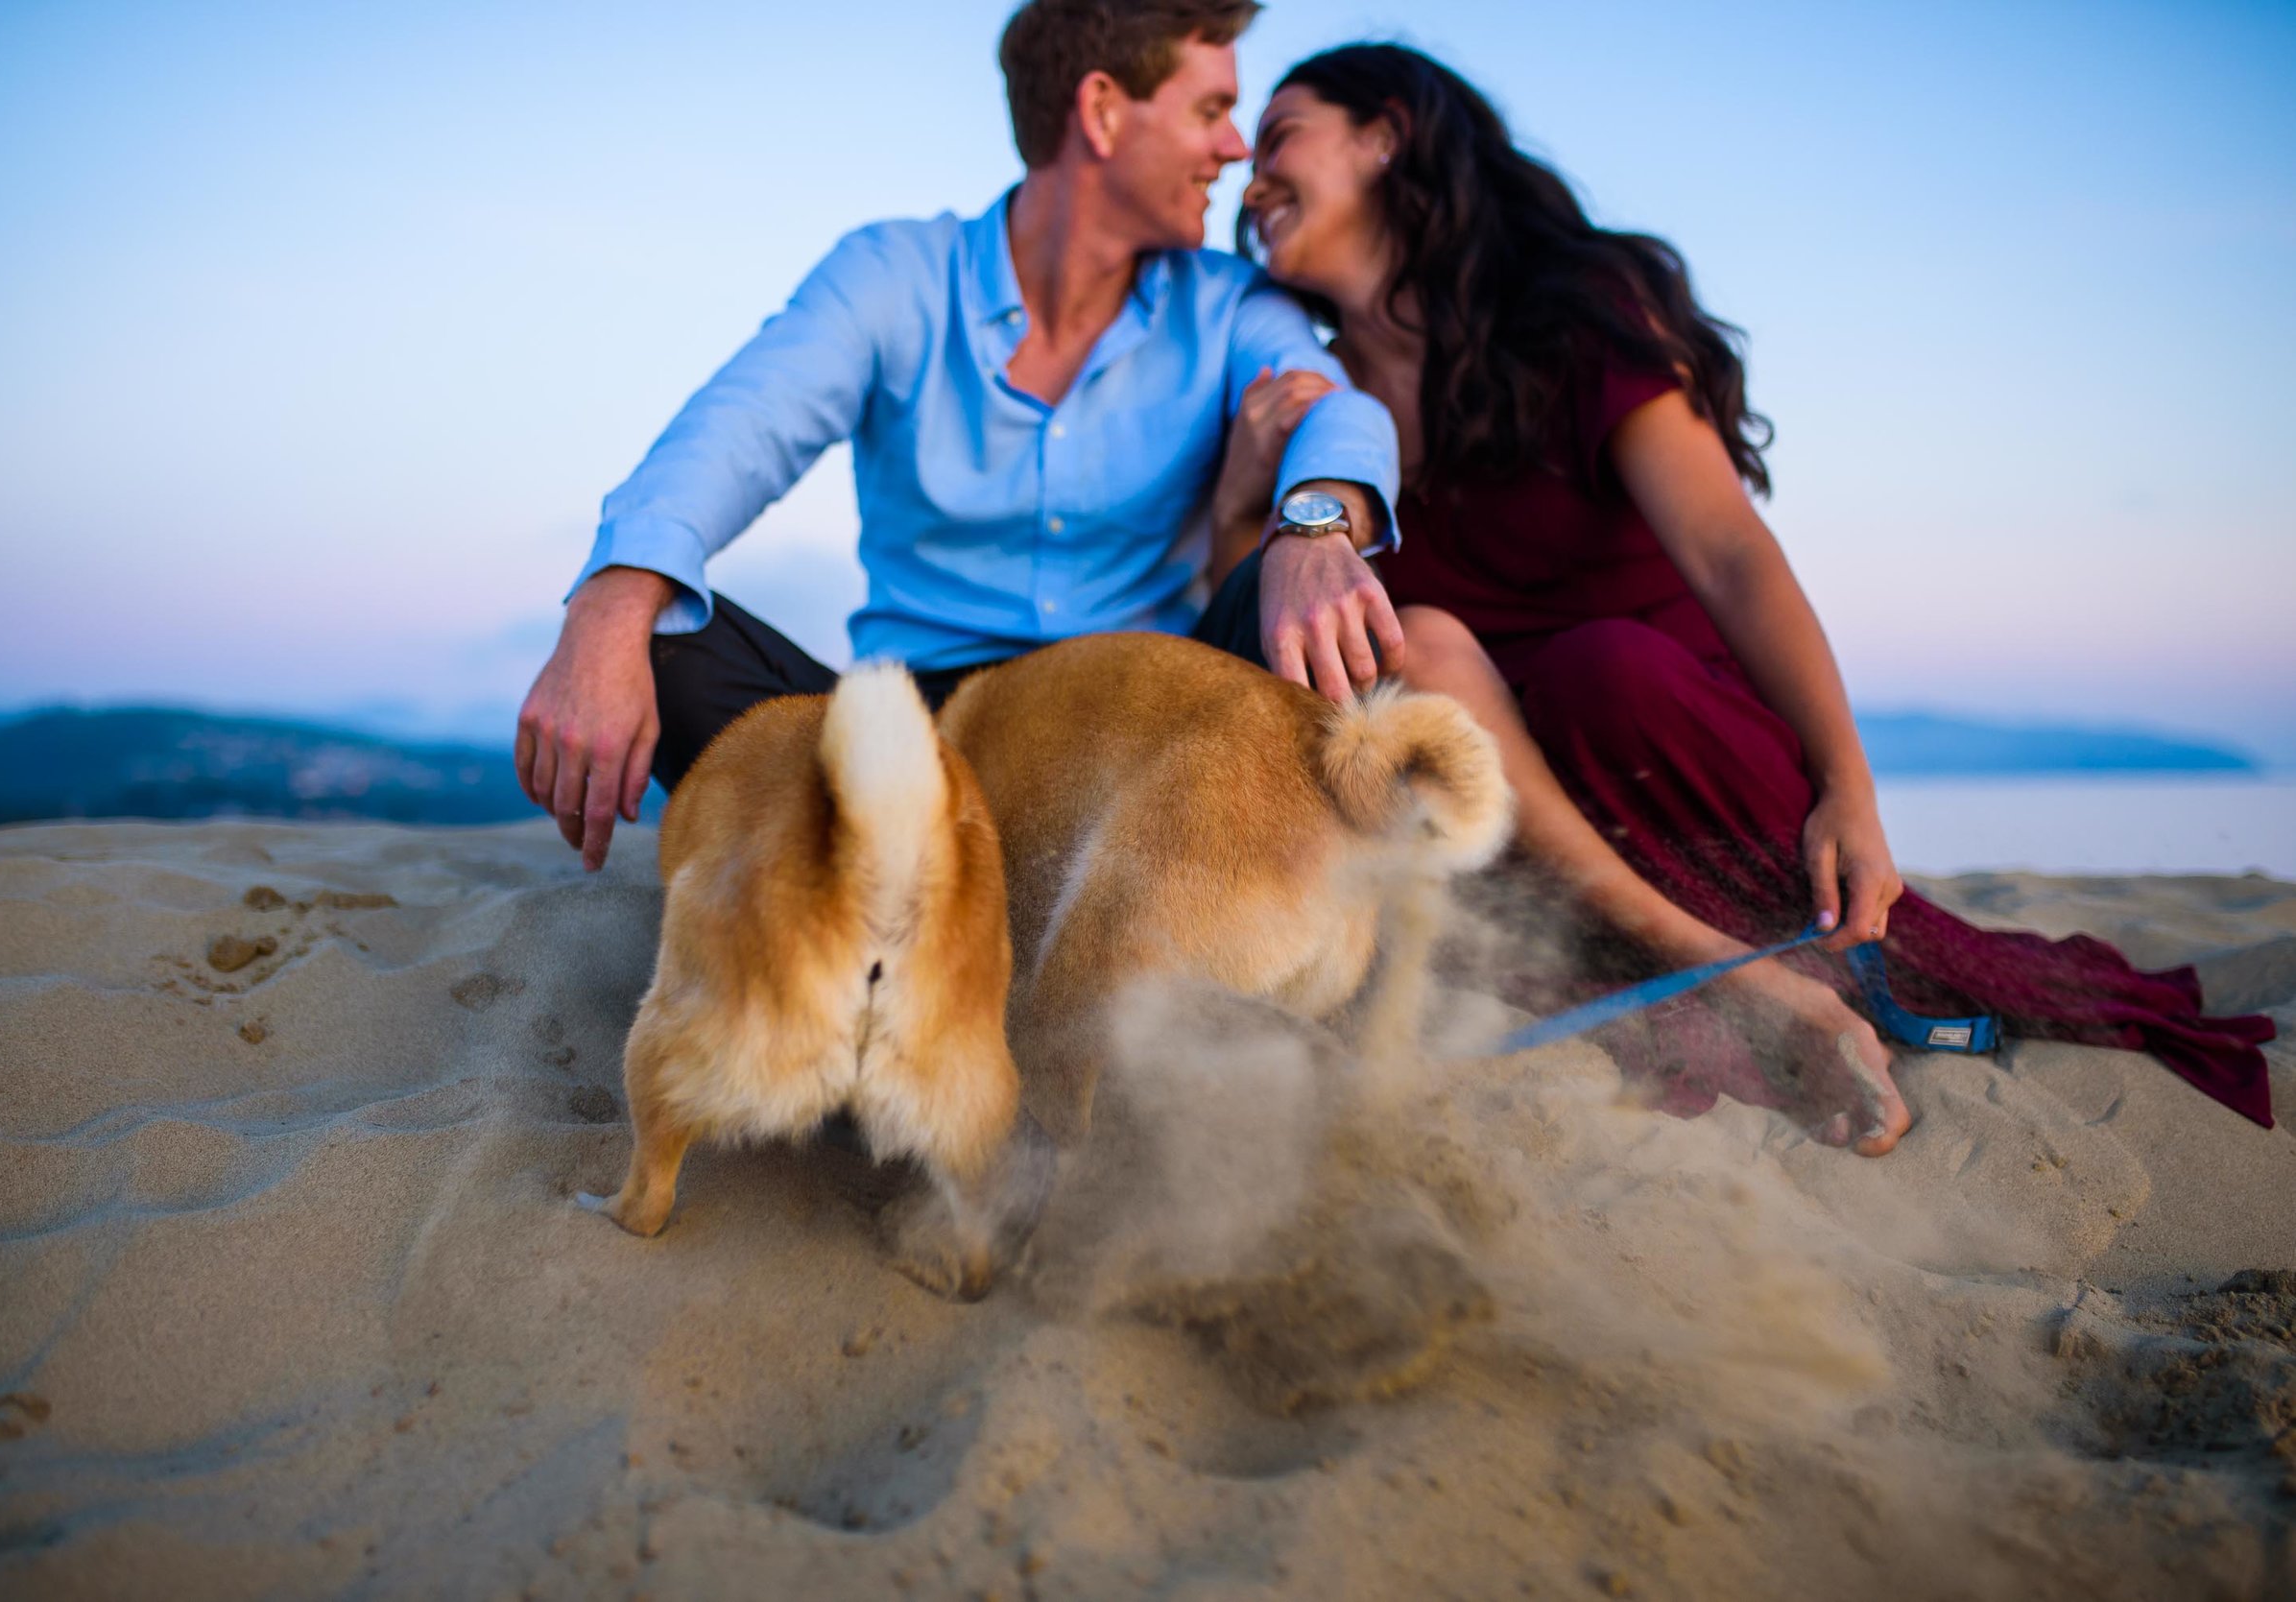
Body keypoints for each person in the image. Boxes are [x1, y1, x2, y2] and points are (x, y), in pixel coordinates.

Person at [1219, 42, 2275, 1150]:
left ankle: (1753, 967)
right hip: (1519, 823)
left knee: (1594, 672)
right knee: (1413, 730)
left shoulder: (1568, 313)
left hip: (1656, 738)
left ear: (1386, 136)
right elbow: (1261, 649)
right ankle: (1723, 977)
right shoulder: (1315, 411)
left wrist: (1848, 786)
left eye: (1282, 132)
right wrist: (1245, 498)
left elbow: (1729, 552)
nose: (1251, 175)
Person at [515, 0, 1411, 878]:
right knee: (662, 632)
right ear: (1101, 110)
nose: (1233, 148)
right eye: (1211, 111)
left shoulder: (1230, 303)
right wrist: (612, 597)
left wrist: (1311, 526)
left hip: (1150, 739)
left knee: (1297, 600)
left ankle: (1095, 897)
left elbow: (1340, 412)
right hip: (906, 749)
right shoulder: (893, 275)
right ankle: (919, 884)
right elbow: (739, 429)